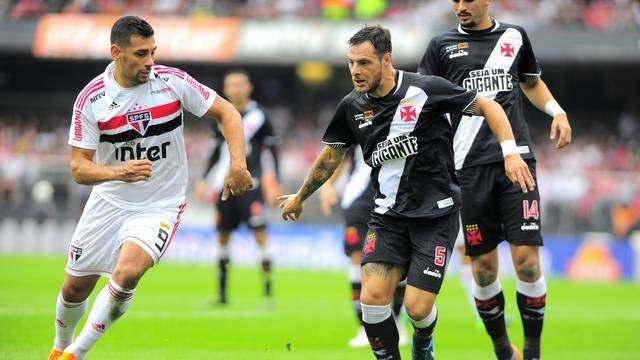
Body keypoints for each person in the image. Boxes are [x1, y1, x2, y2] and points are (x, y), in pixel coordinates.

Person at [280, 25, 534, 360]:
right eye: (351, 63)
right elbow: (331, 155)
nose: (356, 71)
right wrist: (300, 196)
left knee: (417, 309)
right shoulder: (351, 106)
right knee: (371, 299)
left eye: (364, 63)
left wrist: (510, 150)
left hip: (436, 215)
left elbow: (490, 107)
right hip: (387, 216)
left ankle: (424, 339)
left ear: (386, 60)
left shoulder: (425, 89)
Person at [49, 16, 252, 360]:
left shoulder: (171, 82)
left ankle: (75, 354)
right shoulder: (92, 99)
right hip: (109, 202)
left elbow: (228, 113)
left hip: (161, 204)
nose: (149, 62)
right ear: (116, 52)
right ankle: (57, 347)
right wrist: (118, 172)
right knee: (74, 287)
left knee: (127, 273)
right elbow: (78, 168)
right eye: (141, 54)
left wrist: (237, 164)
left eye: (153, 52)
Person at [417, 1, 572, 359]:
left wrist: (557, 111)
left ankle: (532, 352)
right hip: (467, 169)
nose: (460, 7)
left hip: (516, 162)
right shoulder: (440, 47)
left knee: (528, 263)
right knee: (484, 271)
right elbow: (427, 102)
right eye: (454, 0)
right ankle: (503, 350)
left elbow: (531, 83)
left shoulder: (514, 37)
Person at [195, 69, 281, 304]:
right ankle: (222, 294)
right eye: (231, 85)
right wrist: (204, 179)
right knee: (223, 236)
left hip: (251, 186)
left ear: (249, 87)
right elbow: (215, 151)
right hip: (225, 186)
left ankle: (267, 291)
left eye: (240, 84)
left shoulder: (260, 115)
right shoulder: (221, 115)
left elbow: (272, 150)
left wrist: (274, 181)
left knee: (260, 235)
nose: (236, 89)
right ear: (226, 89)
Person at [319, 145, 408, 347]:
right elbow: (338, 152)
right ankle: (362, 328)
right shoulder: (357, 115)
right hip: (358, 200)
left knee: (399, 261)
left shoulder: (403, 116)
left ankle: (397, 321)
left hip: (395, 198)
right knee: (357, 260)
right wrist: (327, 186)